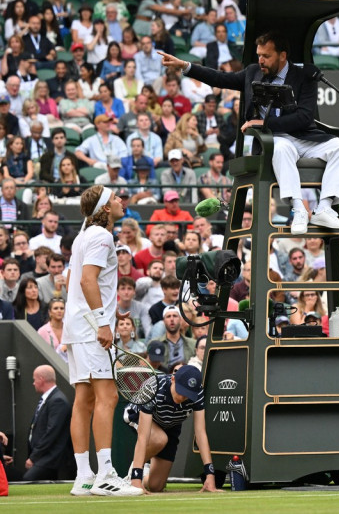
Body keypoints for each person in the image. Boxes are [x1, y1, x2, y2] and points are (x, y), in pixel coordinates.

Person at [161, 31, 339, 235]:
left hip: (304, 136)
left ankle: (324, 208)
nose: (261, 60)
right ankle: (299, 210)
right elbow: (221, 78)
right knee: (282, 148)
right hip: (272, 139)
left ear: (282, 56)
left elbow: (305, 117)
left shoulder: (305, 76)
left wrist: (264, 121)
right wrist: (186, 66)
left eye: (266, 56)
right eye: (259, 54)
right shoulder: (253, 72)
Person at [63, 185, 137, 496]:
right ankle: (106, 474)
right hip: (92, 328)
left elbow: (71, 280)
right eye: (117, 198)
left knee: (85, 400)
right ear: (106, 208)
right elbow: (85, 279)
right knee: (108, 398)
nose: (123, 201)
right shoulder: (102, 236)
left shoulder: (83, 237)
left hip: (77, 327)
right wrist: (103, 323)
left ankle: (83, 477)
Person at [123, 364, 219, 494]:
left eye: (187, 395)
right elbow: (143, 436)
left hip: (171, 424)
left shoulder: (198, 392)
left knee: (156, 486)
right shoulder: (153, 387)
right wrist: (136, 479)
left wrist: (210, 475)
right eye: (180, 391)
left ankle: (135, 478)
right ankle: (134, 475)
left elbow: (200, 432)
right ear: (173, 379)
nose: (182, 398)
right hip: (139, 416)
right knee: (159, 439)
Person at [24, 365, 73, 480]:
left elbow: (51, 433)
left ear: (41, 379)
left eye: (34, 379)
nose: (33, 383)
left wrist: (34, 457)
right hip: (43, 457)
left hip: (51, 459)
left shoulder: (57, 400)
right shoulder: (51, 399)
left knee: (28, 480)